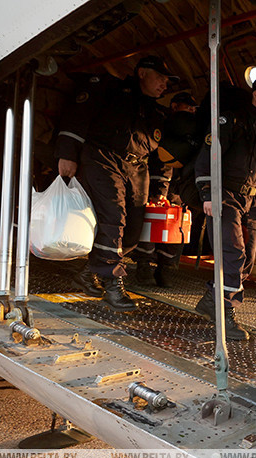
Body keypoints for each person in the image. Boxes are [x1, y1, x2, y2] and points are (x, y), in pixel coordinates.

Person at [57, 54, 175, 312]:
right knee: (114, 215)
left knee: (132, 229)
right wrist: (67, 152)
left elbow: (160, 156)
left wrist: (159, 189)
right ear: (142, 73)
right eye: (160, 77)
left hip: (137, 168)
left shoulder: (156, 112)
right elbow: (79, 113)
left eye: (167, 81)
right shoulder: (112, 89)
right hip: (103, 157)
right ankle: (113, 282)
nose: (164, 84)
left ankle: (90, 273)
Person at [193, 77, 256, 341]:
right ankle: (225, 316)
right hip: (224, 195)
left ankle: (211, 301)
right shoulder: (230, 121)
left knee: (245, 260)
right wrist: (208, 194)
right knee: (232, 254)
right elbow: (208, 158)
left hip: (252, 202)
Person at [134, 92, 200, 287]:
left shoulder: (192, 131)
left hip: (180, 187)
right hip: (158, 183)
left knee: (176, 230)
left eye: (193, 109)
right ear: (174, 106)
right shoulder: (166, 124)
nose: (191, 111)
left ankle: (165, 268)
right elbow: (162, 158)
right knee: (151, 225)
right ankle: (143, 265)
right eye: (186, 107)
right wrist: (160, 189)